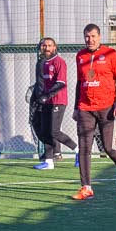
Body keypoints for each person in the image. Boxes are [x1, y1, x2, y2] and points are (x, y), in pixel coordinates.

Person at [71, 24, 116, 200]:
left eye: (93, 36)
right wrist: (76, 107)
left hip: (107, 107)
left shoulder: (111, 54)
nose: (90, 40)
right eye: (87, 36)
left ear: (99, 36)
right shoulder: (80, 56)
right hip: (85, 108)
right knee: (84, 148)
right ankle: (86, 187)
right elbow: (79, 83)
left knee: (108, 148)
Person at [31, 37, 78, 170]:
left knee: (54, 132)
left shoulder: (59, 62)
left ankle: (78, 150)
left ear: (55, 47)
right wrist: (39, 97)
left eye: (50, 45)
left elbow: (61, 84)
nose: (47, 48)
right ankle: (49, 162)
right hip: (46, 101)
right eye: (44, 45)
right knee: (46, 132)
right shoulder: (42, 63)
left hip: (58, 101)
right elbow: (41, 84)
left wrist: (46, 96)